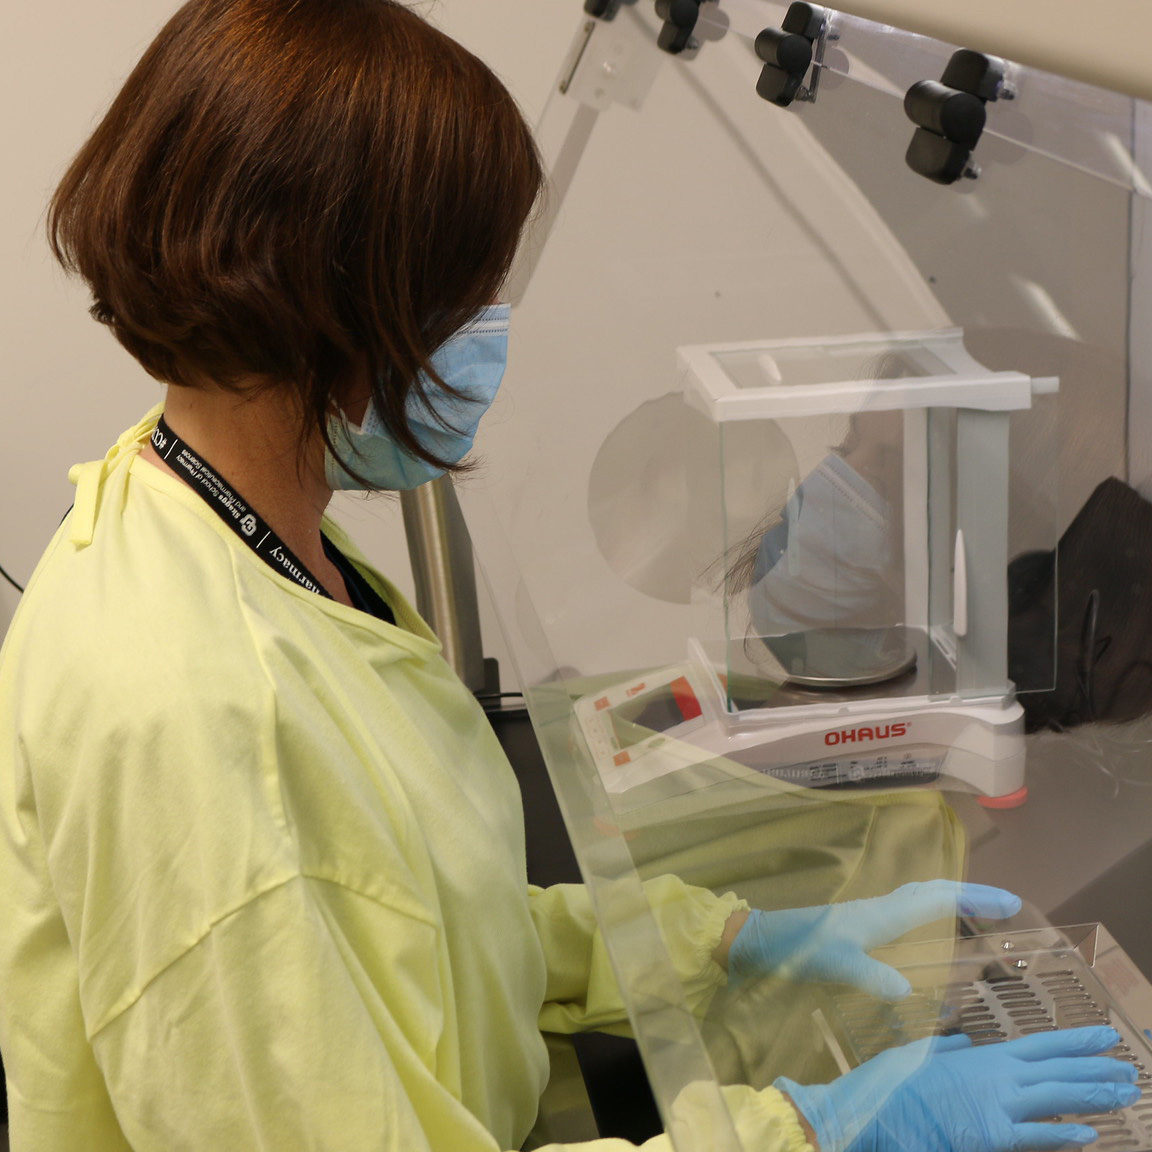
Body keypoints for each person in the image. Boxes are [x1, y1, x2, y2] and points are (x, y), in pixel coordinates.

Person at [0, 2, 1139, 1150]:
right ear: (343, 310)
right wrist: (813, 1131)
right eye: (471, 296)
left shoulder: (217, 518)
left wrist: (731, 941)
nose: (490, 332)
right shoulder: (191, 722)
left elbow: (427, 922)